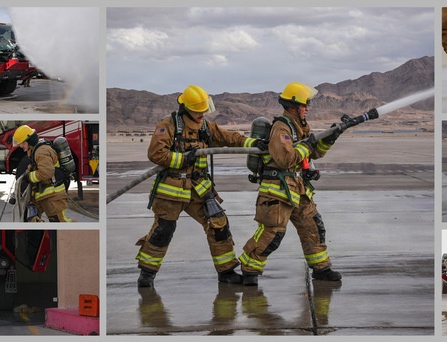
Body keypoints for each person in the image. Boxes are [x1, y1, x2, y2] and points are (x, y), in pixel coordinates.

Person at [136, 85, 267, 287]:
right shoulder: (168, 125)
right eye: (198, 111)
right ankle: (146, 275)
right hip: (171, 189)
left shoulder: (206, 126)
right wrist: (182, 159)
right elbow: (156, 154)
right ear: (186, 108)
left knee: (219, 225)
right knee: (163, 230)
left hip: (199, 188)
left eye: (204, 110)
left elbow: (228, 137)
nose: (202, 114)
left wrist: (252, 143)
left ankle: (226, 271)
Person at [238, 82, 343, 286]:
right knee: (272, 233)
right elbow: (285, 159)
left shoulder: (298, 127)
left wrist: (329, 139)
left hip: (298, 188)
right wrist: (307, 146)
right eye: (305, 105)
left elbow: (313, 153)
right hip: (278, 191)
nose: (307, 108)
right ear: (293, 106)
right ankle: (249, 269)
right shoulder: (281, 128)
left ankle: (321, 268)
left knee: (313, 227)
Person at [14, 124, 74, 222]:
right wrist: (21, 185)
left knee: (60, 224)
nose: (21, 146)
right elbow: (32, 168)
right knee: (31, 220)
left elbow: (46, 172)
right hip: (41, 194)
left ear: (29, 140)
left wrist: (29, 177)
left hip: (53, 195)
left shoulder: (41, 151)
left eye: (22, 143)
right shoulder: (33, 150)